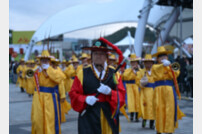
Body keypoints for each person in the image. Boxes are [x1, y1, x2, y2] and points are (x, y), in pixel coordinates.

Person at [69, 39, 126, 134]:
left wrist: (110, 92)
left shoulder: (114, 74)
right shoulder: (82, 73)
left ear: (106, 56)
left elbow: (122, 96)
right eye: (95, 53)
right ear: (91, 56)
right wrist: (85, 99)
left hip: (108, 116)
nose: (98, 56)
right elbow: (73, 94)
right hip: (88, 115)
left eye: (101, 54)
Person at [151, 46, 185, 134]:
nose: (163, 57)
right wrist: (163, 65)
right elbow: (155, 70)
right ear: (157, 58)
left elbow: (177, 73)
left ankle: (169, 129)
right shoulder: (155, 66)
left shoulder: (173, 64)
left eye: (164, 55)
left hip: (169, 89)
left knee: (170, 109)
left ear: (167, 56)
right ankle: (159, 129)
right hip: (158, 90)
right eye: (160, 56)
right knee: (159, 109)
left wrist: (170, 65)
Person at [31, 50, 66, 134]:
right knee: (37, 119)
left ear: (49, 62)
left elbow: (61, 78)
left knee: (49, 118)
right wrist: (35, 71)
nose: (44, 62)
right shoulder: (37, 70)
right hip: (38, 97)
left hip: (50, 98)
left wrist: (49, 69)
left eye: (46, 60)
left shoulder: (54, 70)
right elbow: (29, 80)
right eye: (42, 60)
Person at [122, 53, 143, 122]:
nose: (134, 64)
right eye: (132, 62)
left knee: (137, 101)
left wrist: (138, 70)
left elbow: (141, 77)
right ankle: (131, 116)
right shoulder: (128, 70)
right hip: (130, 87)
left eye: (135, 62)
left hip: (137, 86)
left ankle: (137, 117)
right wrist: (131, 70)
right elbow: (125, 76)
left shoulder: (140, 70)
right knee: (131, 101)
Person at [139, 54, 155, 129]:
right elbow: (137, 80)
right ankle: (144, 119)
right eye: (146, 62)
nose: (148, 64)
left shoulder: (155, 71)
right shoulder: (141, 72)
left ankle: (152, 123)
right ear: (144, 63)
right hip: (145, 91)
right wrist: (141, 82)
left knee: (153, 106)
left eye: (150, 62)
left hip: (154, 91)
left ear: (152, 63)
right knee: (145, 106)